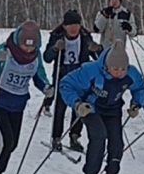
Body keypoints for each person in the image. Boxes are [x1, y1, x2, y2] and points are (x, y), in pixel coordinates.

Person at [59, 40, 144, 174]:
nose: (119, 73)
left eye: (123, 69)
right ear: (107, 65)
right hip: (90, 109)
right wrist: (77, 104)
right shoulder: (90, 70)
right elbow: (66, 84)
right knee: (99, 137)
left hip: (113, 110)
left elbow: (140, 88)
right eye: (115, 69)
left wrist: (137, 104)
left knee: (117, 143)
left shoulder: (131, 73)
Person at [0, 20, 52, 174]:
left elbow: (38, 76)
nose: (28, 49)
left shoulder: (35, 56)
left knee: (13, 143)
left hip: (18, 102)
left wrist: (46, 87)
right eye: (25, 45)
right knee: (6, 140)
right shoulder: (4, 51)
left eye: (32, 46)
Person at [43, 9, 101, 152]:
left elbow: (99, 59)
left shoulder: (85, 37)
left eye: (77, 25)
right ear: (64, 26)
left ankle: (75, 136)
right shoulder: (57, 36)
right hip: (63, 75)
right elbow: (47, 57)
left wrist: (97, 49)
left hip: (81, 76)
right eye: (70, 25)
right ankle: (56, 137)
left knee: (79, 107)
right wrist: (55, 48)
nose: (74, 28)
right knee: (60, 108)